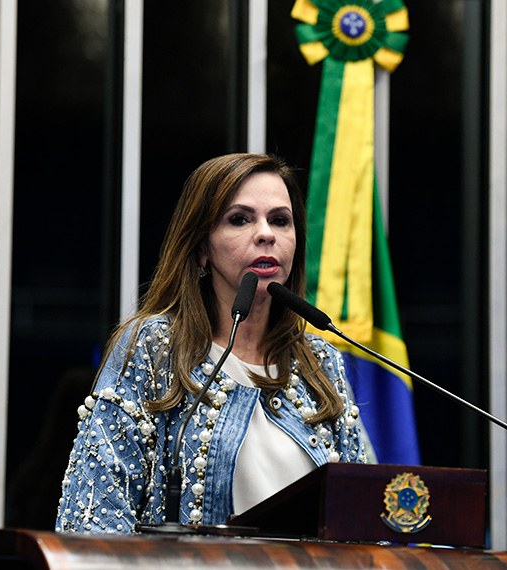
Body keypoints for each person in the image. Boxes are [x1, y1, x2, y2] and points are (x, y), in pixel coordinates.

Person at [55, 153, 374, 533]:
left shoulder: (319, 362)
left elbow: (364, 520)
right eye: (240, 219)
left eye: (280, 220)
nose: (266, 233)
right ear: (202, 248)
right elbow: (92, 517)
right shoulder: (155, 348)